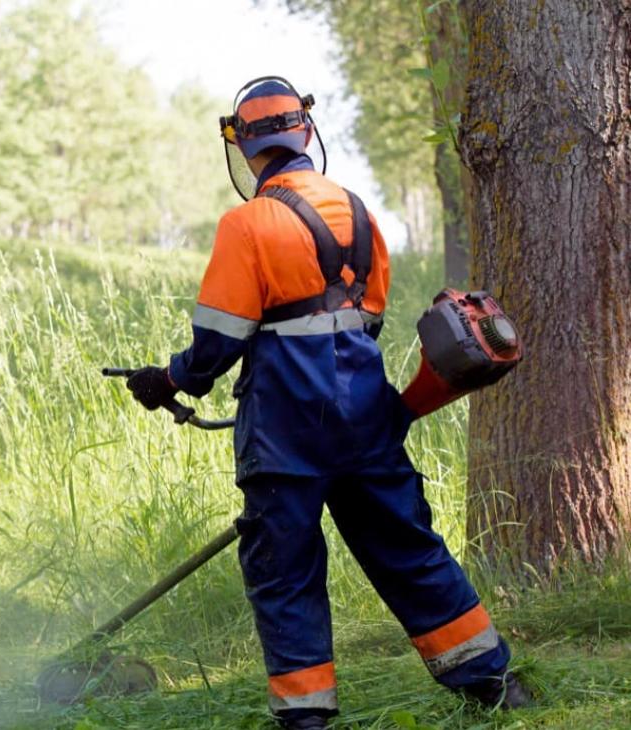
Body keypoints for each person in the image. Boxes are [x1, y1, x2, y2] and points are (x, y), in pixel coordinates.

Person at [124, 77, 530, 729]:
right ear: (305, 133)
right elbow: (368, 320)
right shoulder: (359, 213)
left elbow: (216, 345)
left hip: (285, 431)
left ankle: (307, 718)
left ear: (245, 147)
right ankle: (496, 684)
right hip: (367, 416)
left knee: (285, 571)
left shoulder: (247, 224)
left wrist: (166, 380)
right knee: (409, 549)